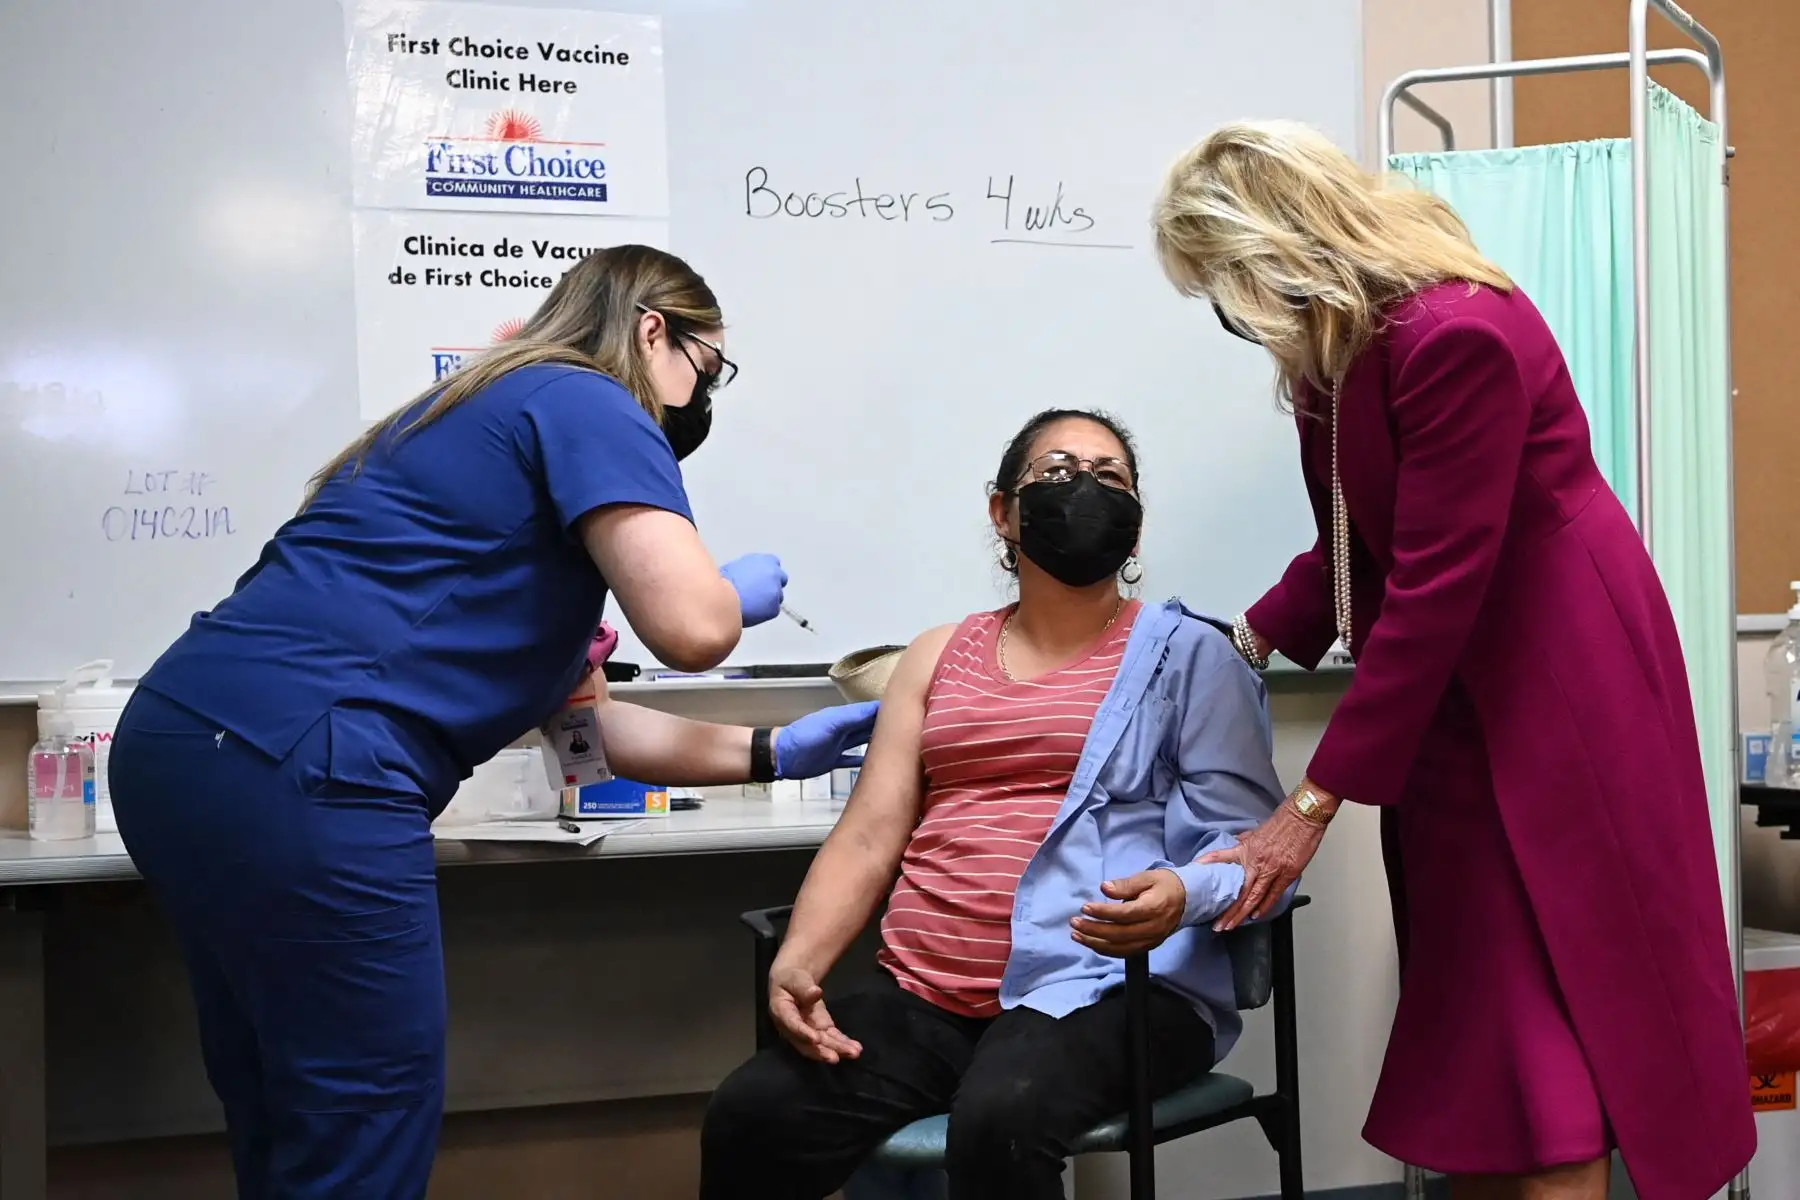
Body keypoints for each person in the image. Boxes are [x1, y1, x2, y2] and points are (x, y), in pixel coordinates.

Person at [106, 245, 879, 1199]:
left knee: (286, 1103)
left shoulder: (478, 442)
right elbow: (691, 629)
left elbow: (586, 739)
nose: (699, 404)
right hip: (306, 764)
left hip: (184, 749)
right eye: (705, 371)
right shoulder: (589, 396)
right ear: (651, 333)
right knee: (364, 1115)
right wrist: (728, 594)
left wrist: (773, 751)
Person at [1151, 122, 1754, 1200]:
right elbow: (1353, 542)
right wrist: (1229, 644)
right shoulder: (1335, 359)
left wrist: (1313, 803)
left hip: (1556, 678)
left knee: (1554, 984)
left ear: (1275, 250)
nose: (1229, 315)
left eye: (1223, 284)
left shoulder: (1452, 333)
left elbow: (1433, 581)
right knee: (1480, 1005)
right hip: (1456, 692)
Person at [699, 408, 1287, 1200]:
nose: (1084, 487)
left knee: (1001, 1121)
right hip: (929, 994)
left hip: (1112, 988)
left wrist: (1185, 891)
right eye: (1055, 472)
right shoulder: (938, 654)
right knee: (753, 1112)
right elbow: (870, 836)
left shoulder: (1191, 657)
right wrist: (798, 963)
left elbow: (1254, 848)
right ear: (1003, 513)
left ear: (1136, 528)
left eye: (1110, 476)